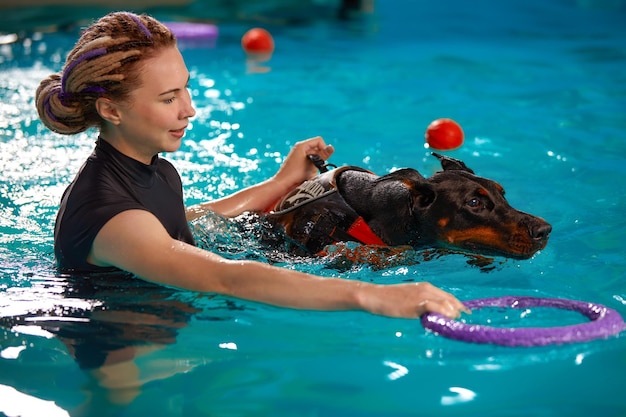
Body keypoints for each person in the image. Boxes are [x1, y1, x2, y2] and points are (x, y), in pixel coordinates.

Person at [36, 11, 468, 320]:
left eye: (185, 88)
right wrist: (372, 296)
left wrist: (280, 182)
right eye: (168, 98)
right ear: (111, 110)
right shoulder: (109, 216)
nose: (190, 110)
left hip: (168, 330)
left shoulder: (151, 169)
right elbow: (228, 280)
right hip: (126, 366)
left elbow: (186, 221)